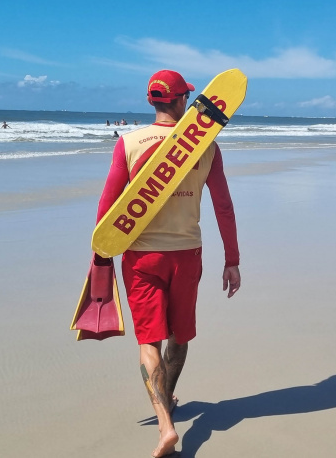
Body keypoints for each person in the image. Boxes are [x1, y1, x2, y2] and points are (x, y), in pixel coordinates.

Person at [95, 70, 240, 457]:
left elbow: (108, 206)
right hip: (188, 255)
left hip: (142, 257)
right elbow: (223, 205)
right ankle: (169, 396)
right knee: (179, 336)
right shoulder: (206, 145)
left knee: (149, 341)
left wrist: (100, 256)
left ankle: (165, 424)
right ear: (181, 101)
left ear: (151, 101)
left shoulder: (128, 143)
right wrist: (232, 259)